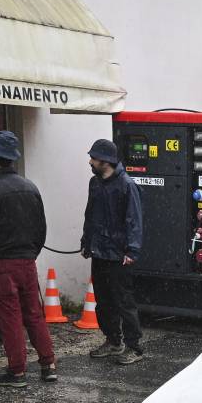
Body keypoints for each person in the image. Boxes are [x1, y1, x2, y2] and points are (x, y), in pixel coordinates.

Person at [0, 130, 58, 388]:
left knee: (9, 318)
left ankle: (17, 371)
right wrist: (30, 253)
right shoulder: (30, 187)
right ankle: (48, 364)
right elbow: (40, 229)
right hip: (26, 262)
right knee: (34, 314)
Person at [81, 139, 145, 365]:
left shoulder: (126, 185)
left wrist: (132, 250)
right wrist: (86, 242)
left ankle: (134, 347)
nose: (90, 161)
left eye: (94, 158)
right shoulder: (95, 183)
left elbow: (134, 220)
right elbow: (90, 215)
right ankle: (113, 341)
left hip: (119, 255)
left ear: (105, 161)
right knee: (104, 301)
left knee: (123, 301)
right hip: (99, 252)